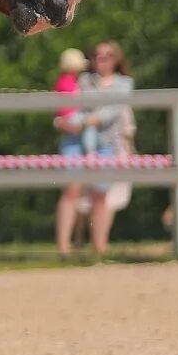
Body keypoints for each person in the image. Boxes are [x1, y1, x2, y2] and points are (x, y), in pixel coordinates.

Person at [57, 41, 135, 257]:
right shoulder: (84, 80)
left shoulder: (124, 83)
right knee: (71, 191)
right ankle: (63, 247)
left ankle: (99, 247)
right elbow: (70, 105)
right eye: (97, 55)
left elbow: (110, 113)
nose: (101, 59)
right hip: (78, 142)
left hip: (108, 144)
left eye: (107, 56)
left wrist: (81, 120)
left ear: (116, 59)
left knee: (101, 196)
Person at [51, 46, 89, 254]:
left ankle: (75, 241)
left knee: (77, 194)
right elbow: (66, 117)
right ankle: (65, 243)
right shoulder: (67, 84)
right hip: (74, 142)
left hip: (77, 141)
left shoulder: (71, 83)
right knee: (72, 192)